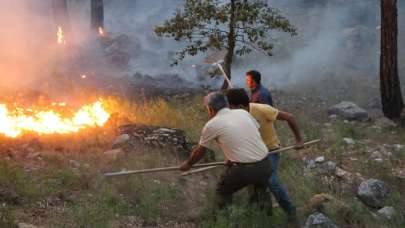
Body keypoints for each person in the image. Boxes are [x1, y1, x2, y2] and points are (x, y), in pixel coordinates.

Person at [179, 92, 272, 210]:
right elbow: (250, 134)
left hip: (245, 169)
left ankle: (224, 219)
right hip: (266, 164)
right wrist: (233, 158)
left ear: (211, 109)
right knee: (260, 193)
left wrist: (188, 164)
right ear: (226, 104)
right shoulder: (243, 113)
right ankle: (265, 217)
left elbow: (200, 151)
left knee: (222, 192)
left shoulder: (212, 124)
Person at [226, 88, 304, 223]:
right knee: (255, 184)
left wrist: (299, 140)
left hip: (270, 151)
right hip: (251, 154)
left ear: (240, 106)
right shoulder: (234, 117)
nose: (229, 110)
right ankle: (266, 216)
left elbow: (289, 117)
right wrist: (232, 157)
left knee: (271, 180)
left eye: (231, 107)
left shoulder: (262, 109)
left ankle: (291, 214)